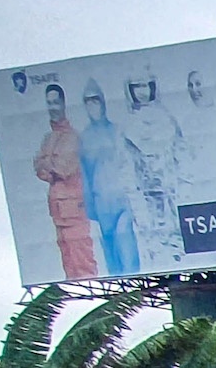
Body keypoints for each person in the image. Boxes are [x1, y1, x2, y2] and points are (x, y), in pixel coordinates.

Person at [120, 73, 187, 262]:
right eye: (137, 86)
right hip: (145, 190)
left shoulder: (167, 119)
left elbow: (181, 153)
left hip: (169, 186)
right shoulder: (127, 125)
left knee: (174, 229)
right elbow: (125, 164)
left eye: (145, 86)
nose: (142, 91)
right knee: (150, 232)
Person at [31, 82, 96, 279]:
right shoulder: (48, 138)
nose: (52, 107)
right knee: (67, 260)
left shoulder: (74, 137)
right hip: (57, 211)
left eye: (56, 102)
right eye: (49, 103)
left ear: (64, 104)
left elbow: (63, 169)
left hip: (74, 211)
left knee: (82, 261)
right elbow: (39, 168)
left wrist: (48, 164)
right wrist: (48, 165)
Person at [77, 84, 139, 275]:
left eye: (96, 100)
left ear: (103, 102)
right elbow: (84, 175)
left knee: (127, 247)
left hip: (122, 199)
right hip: (101, 203)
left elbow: (132, 163)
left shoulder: (117, 130)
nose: (93, 106)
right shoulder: (84, 138)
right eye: (88, 102)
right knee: (111, 255)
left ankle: (138, 291)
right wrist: (90, 206)